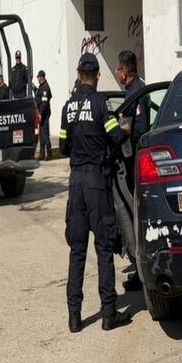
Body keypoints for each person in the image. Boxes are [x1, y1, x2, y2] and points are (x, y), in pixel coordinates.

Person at [58, 53, 132, 333]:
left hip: (76, 184)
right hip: (97, 184)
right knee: (103, 249)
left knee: (77, 251)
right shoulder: (102, 106)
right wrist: (126, 126)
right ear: (98, 76)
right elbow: (117, 137)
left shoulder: (68, 108)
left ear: (79, 75)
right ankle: (109, 312)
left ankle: (74, 317)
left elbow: (63, 147)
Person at [116, 49, 148, 292]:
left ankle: (140, 270)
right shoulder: (141, 88)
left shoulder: (133, 94)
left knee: (134, 215)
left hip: (134, 159)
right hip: (138, 158)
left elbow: (135, 130)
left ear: (124, 71)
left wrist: (119, 134)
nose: (117, 73)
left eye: (118, 69)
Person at [34, 70, 53, 160]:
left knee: (45, 134)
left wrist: (41, 114)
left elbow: (44, 103)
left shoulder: (45, 88)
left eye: (38, 77)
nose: (37, 78)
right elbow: (38, 98)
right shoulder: (41, 87)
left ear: (42, 77)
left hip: (44, 114)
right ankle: (41, 154)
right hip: (40, 113)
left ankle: (49, 153)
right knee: (41, 134)